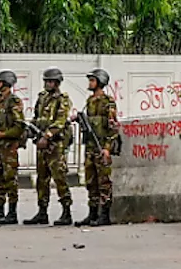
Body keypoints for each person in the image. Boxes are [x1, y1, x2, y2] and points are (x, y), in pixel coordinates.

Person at [24, 67, 73, 227]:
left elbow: (60, 122)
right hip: (42, 144)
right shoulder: (42, 97)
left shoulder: (63, 99)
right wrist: (30, 129)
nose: (47, 84)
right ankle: (42, 211)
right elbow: (37, 117)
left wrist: (47, 136)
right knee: (41, 179)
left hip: (55, 145)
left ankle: (66, 211)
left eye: (50, 81)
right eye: (46, 81)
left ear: (57, 83)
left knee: (59, 178)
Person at [77, 68, 120, 227]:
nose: (90, 83)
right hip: (90, 148)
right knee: (91, 181)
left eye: (92, 80)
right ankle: (92, 213)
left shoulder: (107, 102)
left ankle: (104, 215)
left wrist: (107, 148)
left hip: (101, 147)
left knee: (104, 182)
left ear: (100, 82)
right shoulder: (89, 101)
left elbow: (113, 127)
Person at [0, 69, 24, 225]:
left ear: (6, 83)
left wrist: (5, 134)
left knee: (10, 180)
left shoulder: (13, 101)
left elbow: (19, 126)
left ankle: (12, 212)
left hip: (9, 147)